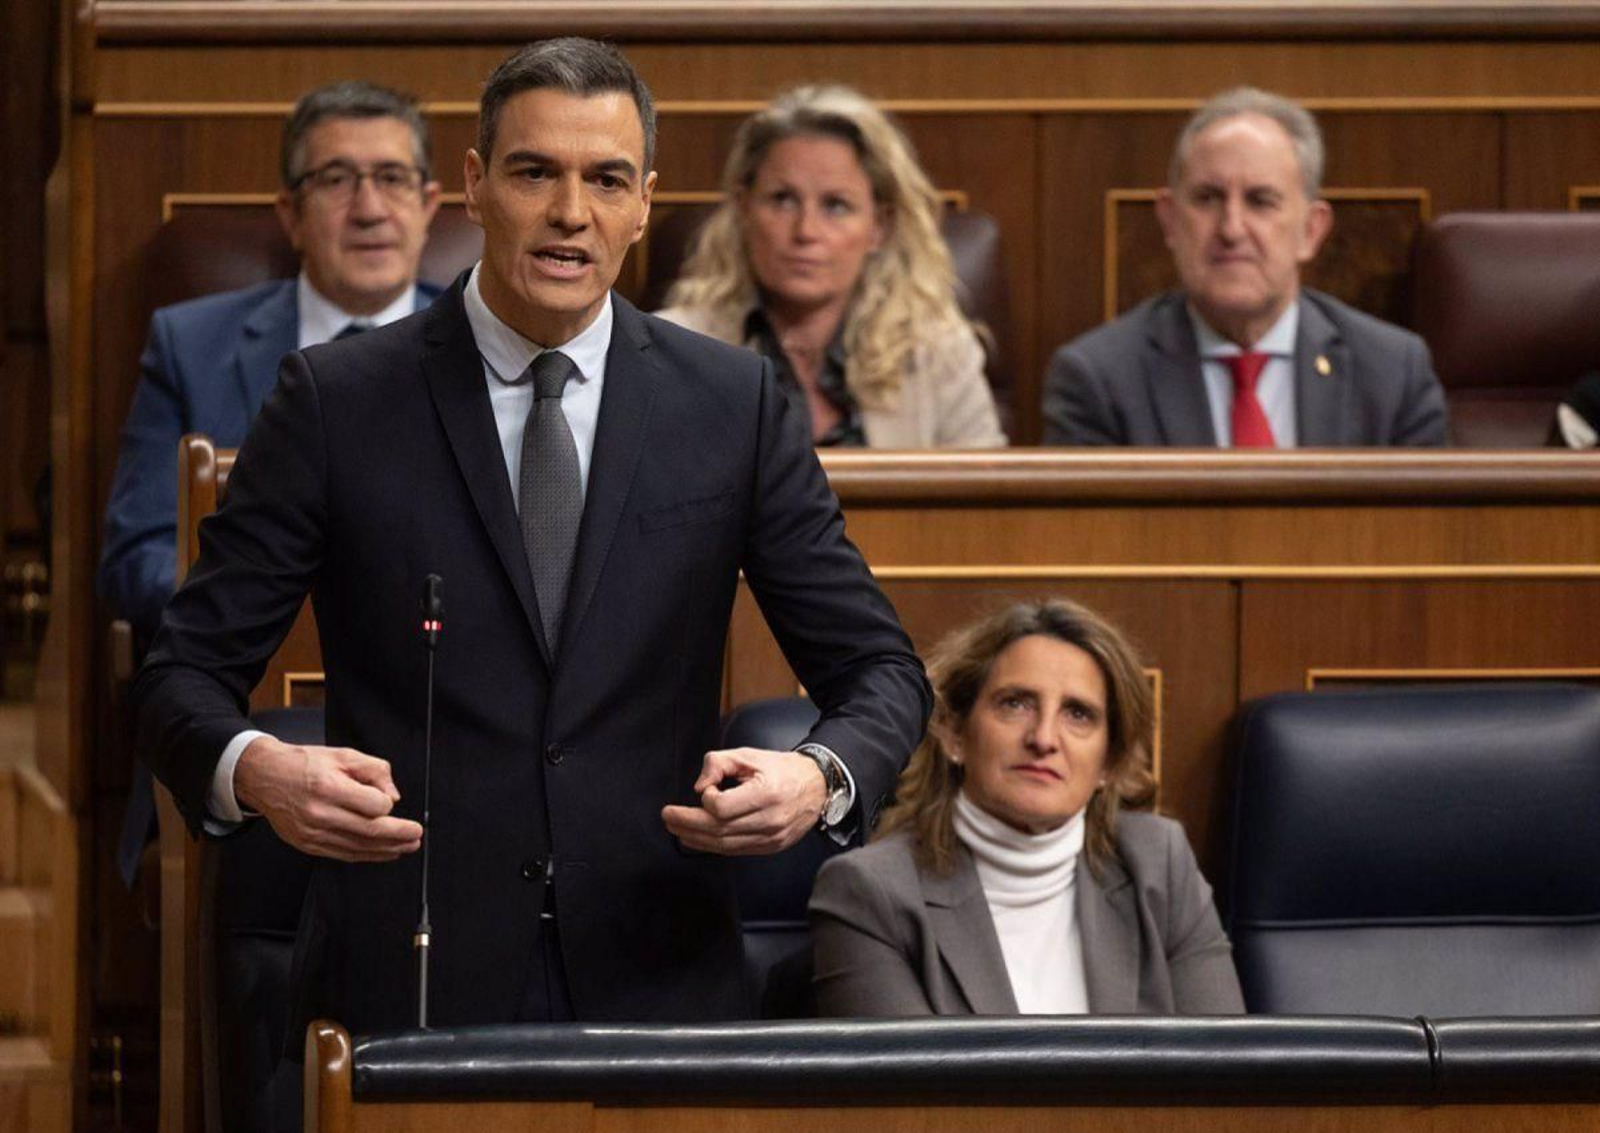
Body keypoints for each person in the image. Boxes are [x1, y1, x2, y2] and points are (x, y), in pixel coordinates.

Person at [132, 37, 930, 1044]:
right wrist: (257, 768)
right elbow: (177, 676)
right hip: (409, 981)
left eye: (603, 180)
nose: (569, 213)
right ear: (471, 187)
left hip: (658, 977)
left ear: (643, 200)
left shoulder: (733, 405)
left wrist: (818, 773)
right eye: (533, 172)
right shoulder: (335, 401)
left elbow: (881, 671)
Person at [102, 80, 442, 888]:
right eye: (336, 180)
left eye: (392, 179)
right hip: (255, 721)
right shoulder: (192, 343)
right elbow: (136, 552)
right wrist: (271, 604)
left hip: (445, 721)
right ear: (290, 214)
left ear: (432, 203)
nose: (369, 208)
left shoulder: (494, 350)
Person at [809, 599, 1243, 1015]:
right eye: (1015, 703)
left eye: (1078, 714)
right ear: (954, 732)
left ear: (1110, 762)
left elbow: (1225, 1072)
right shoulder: (870, 893)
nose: (1044, 739)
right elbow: (913, 1090)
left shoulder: (1159, 863)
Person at [1041, 87, 1447, 448]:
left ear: (1311, 229)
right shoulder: (1099, 380)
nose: (1231, 229)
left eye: (1260, 201)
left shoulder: (1392, 373)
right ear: (1169, 221)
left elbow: (1428, 532)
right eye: (1207, 198)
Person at [657, 85, 1005, 448]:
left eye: (836, 205)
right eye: (782, 199)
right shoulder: (674, 350)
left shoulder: (938, 355)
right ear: (744, 210)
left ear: (879, 227)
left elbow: (981, 499)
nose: (806, 231)